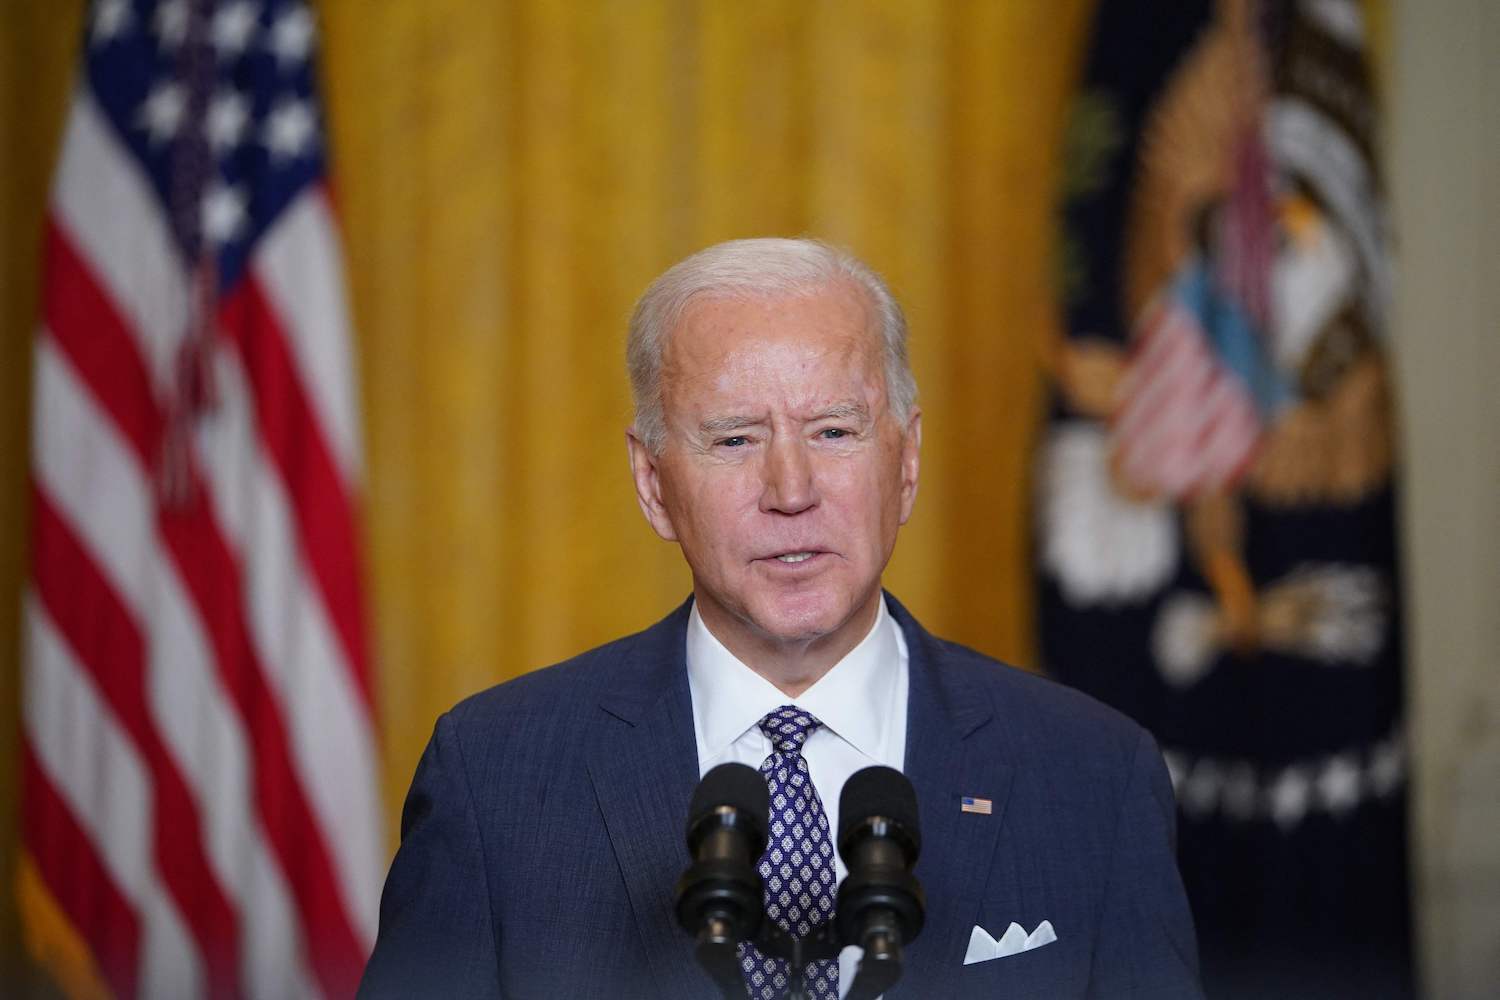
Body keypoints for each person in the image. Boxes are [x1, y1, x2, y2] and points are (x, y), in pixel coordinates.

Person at [358, 239, 1203, 999]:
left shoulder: (1093, 777)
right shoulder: (495, 779)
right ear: (654, 485)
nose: (791, 491)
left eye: (833, 431)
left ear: (905, 463)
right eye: (733, 441)